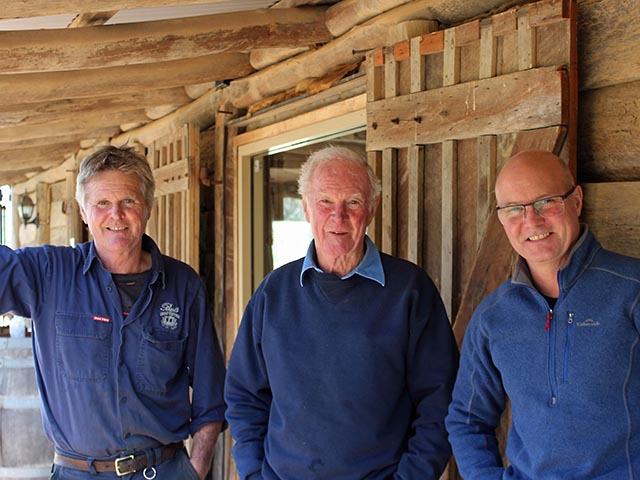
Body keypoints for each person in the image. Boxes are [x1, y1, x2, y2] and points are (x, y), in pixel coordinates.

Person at [225, 146, 459, 480]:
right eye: (324, 202)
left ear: (372, 209)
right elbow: (244, 396)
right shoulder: (273, 294)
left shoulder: (410, 291)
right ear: (305, 207)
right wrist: (253, 474)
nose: (338, 217)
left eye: (352, 202)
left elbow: (440, 401)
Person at [0, 145, 226, 479]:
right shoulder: (49, 273)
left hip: (165, 471)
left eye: (128, 202)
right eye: (102, 203)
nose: (115, 215)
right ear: (83, 211)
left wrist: (198, 467)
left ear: (147, 207)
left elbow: (211, 393)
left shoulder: (183, 285)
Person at [446, 150, 640, 478]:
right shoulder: (493, 317)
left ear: (576, 201)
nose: (532, 222)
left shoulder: (632, 290)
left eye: (546, 202)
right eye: (514, 210)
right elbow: (467, 420)